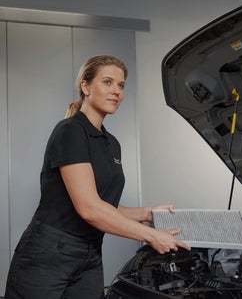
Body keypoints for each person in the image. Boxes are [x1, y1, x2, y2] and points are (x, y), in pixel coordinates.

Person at [5, 55, 190, 299]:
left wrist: (146, 214)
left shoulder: (111, 143)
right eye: (108, 82)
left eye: (121, 85)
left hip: (90, 252)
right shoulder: (70, 131)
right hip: (49, 252)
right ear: (85, 86)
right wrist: (150, 235)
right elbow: (89, 208)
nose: (116, 91)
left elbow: (105, 205)